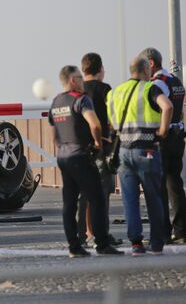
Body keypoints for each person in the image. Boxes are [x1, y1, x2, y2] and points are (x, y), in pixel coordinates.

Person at [48, 65, 123, 258]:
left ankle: (74, 247)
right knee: (97, 198)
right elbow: (95, 123)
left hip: (63, 157)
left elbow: (54, 133)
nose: (83, 82)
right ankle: (102, 244)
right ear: (73, 80)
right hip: (80, 155)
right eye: (80, 78)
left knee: (69, 202)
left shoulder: (56, 102)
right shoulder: (80, 100)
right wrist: (97, 143)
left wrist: (61, 147)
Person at [107, 57, 173, 256]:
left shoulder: (114, 92)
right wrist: (163, 130)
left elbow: (112, 123)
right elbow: (167, 106)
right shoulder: (149, 88)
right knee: (154, 197)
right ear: (145, 69)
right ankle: (156, 242)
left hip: (123, 151)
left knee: (130, 199)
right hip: (147, 150)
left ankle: (136, 242)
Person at [139, 48, 186, 244]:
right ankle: (182, 231)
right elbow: (179, 110)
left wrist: (160, 131)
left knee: (158, 188)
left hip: (165, 137)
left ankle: (164, 232)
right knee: (175, 186)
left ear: (150, 64)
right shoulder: (175, 81)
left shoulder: (157, 83)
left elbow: (165, 107)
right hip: (178, 136)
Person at [76, 53, 121, 247]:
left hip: (78, 148)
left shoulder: (76, 91)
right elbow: (113, 117)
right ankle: (101, 233)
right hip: (101, 147)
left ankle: (84, 233)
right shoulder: (105, 89)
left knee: (83, 194)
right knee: (102, 194)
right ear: (100, 70)